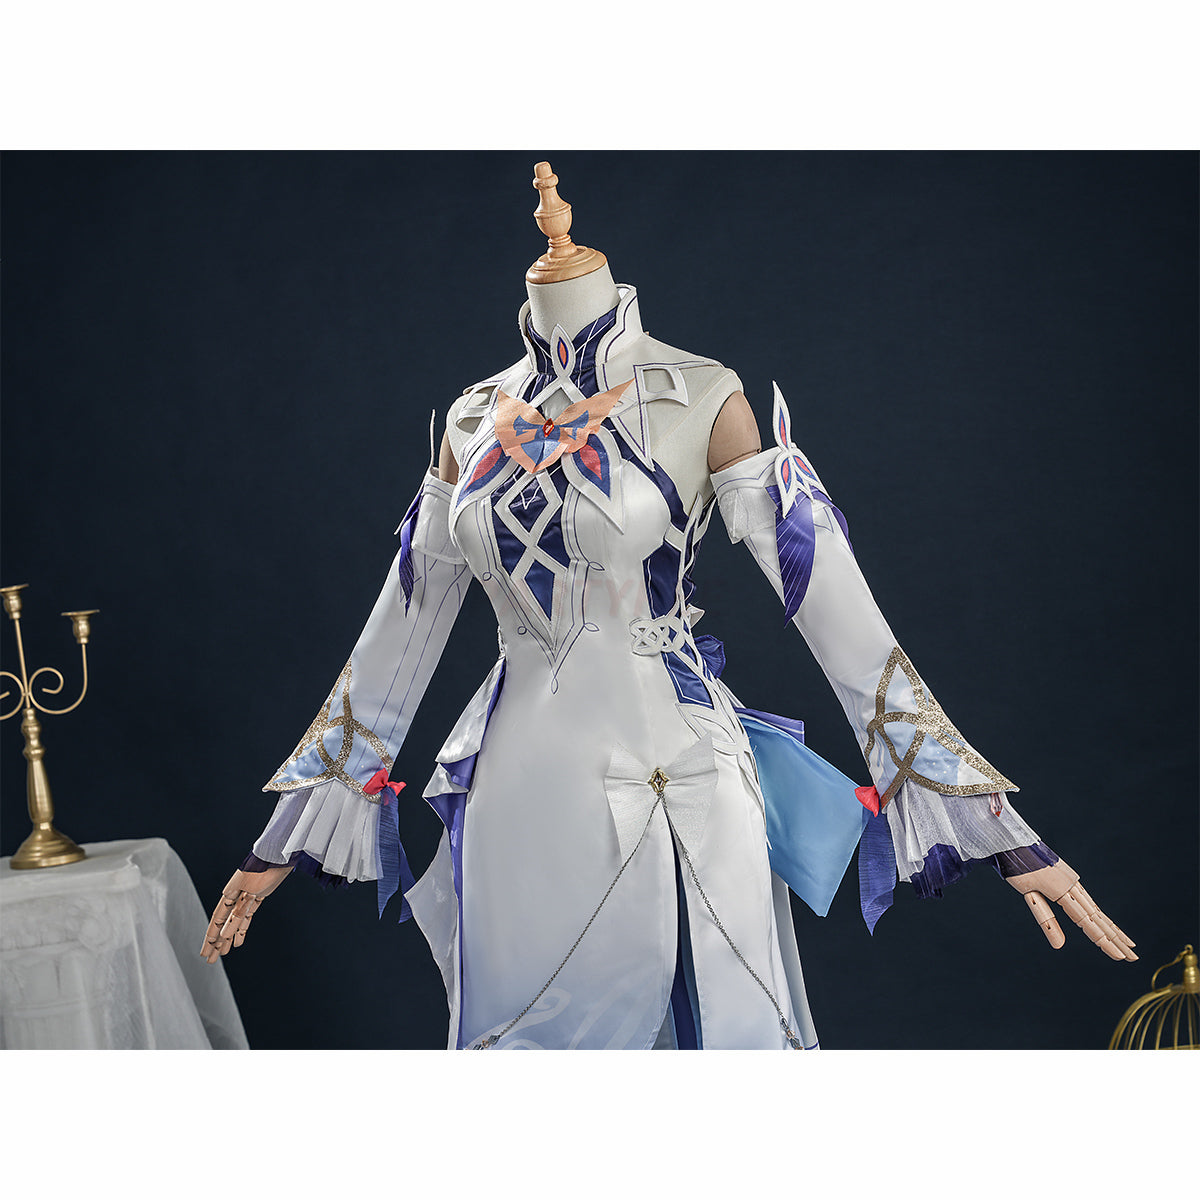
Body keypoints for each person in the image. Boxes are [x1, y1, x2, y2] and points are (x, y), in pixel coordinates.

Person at [202, 163, 1134, 1050]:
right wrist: (296, 824)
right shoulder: (473, 415)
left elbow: (834, 604)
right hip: (512, 794)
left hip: (675, 771)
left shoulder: (704, 392)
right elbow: (402, 628)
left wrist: (985, 817)